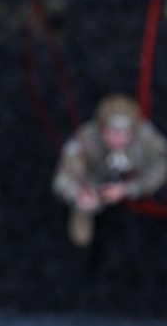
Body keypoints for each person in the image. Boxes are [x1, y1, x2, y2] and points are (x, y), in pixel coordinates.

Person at [52, 93, 167, 247]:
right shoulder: (84, 138)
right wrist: (76, 194)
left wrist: (131, 188)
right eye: (112, 132)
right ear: (100, 128)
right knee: (84, 204)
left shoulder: (146, 136)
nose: (118, 139)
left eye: (125, 133)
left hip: (133, 175)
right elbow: (62, 177)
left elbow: (162, 161)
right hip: (96, 180)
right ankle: (84, 211)